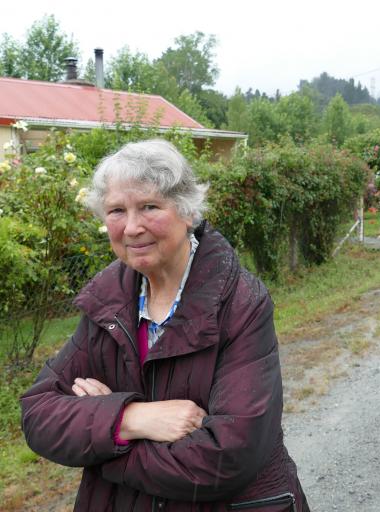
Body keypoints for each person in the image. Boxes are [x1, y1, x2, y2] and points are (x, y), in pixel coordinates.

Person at [21, 139, 310, 512]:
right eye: (116, 211)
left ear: (187, 211)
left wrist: (102, 444)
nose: (131, 227)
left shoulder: (240, 302)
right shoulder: (106, 301)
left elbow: (228, 456)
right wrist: (130, 419)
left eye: (149, 207)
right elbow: (38, 414)